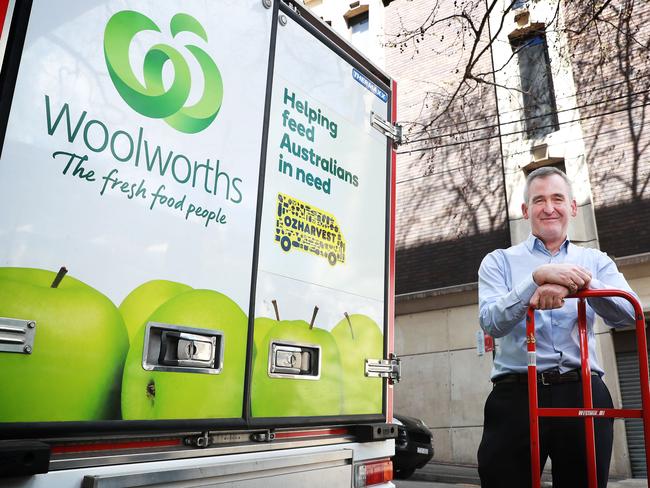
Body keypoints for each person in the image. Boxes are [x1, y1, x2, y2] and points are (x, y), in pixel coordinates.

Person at [477, 166, 639, 488]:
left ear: (573, 207)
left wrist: (579, 283)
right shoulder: (498, 261)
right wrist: (536, 280)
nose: (549, 208)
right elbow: (492, 322)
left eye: (557, 198)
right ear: (526, 211)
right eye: (539, 200)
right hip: (515, 395)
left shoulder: (596, 261)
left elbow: (630, 314)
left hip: (583, 391)